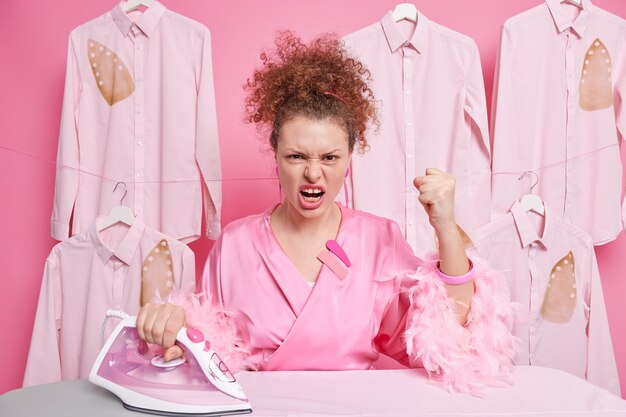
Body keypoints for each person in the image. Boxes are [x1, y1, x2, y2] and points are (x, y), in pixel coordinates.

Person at [137, 32, 516, 393]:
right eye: (296, 156)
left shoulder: (379, 239)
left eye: (330, 157)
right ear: (276, 157)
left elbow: (452, 335)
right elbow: (206, 349)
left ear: (350, 159)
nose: (313, 172)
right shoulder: (235, 243)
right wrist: (174, 330)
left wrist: (446, 227)